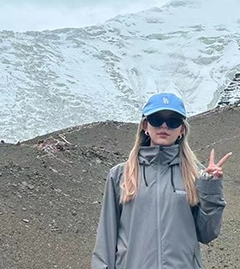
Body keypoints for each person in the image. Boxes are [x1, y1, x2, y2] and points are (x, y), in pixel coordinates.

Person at [92, 93, 232, 269]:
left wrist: (211, 188)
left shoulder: (195, 174)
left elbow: (207, 233)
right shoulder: (120, 174)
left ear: (182, 129)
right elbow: (106, 238)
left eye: (173, 121)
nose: (164, 126)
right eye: (157, 119)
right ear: (145, 125)